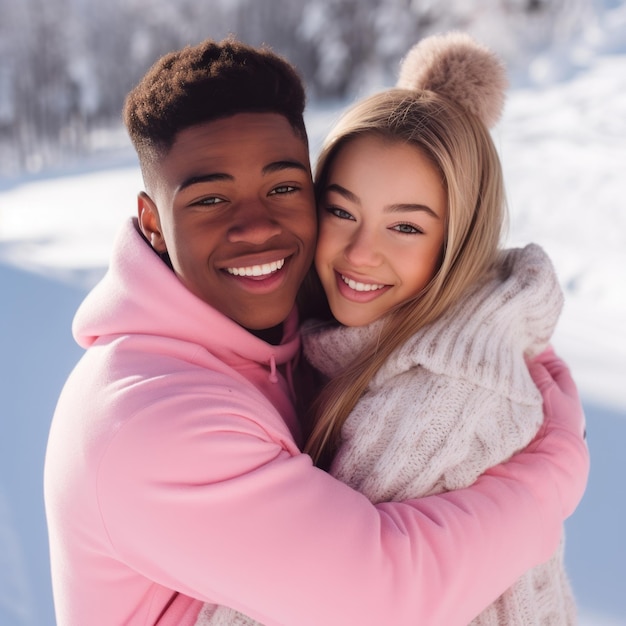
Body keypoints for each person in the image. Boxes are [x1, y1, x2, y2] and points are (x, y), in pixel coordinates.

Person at [43, 37, 589, 626]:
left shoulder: (290, 326)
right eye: (210, 199)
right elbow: (381, 597)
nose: (256, 229)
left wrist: (516, 339)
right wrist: (552, 477)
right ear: (153, 223)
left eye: (282, 188)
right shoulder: (151, 419)